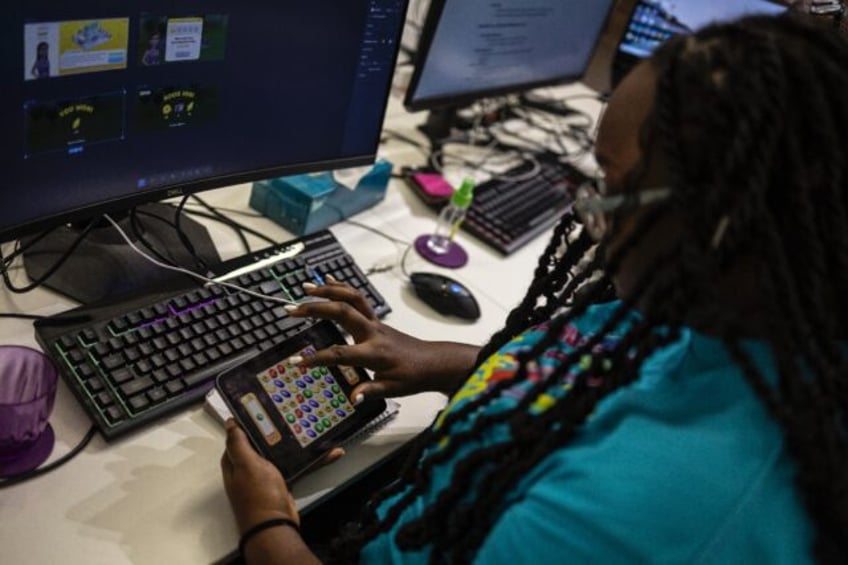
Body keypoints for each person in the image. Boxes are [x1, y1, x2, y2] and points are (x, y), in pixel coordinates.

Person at [220, 13, 848, 564]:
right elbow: (594, 376)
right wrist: (440, 360)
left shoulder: (639, 515)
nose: (590, 210)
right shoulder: (731, 309)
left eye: (612, 181)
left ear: (720, 224)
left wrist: (266, 527)